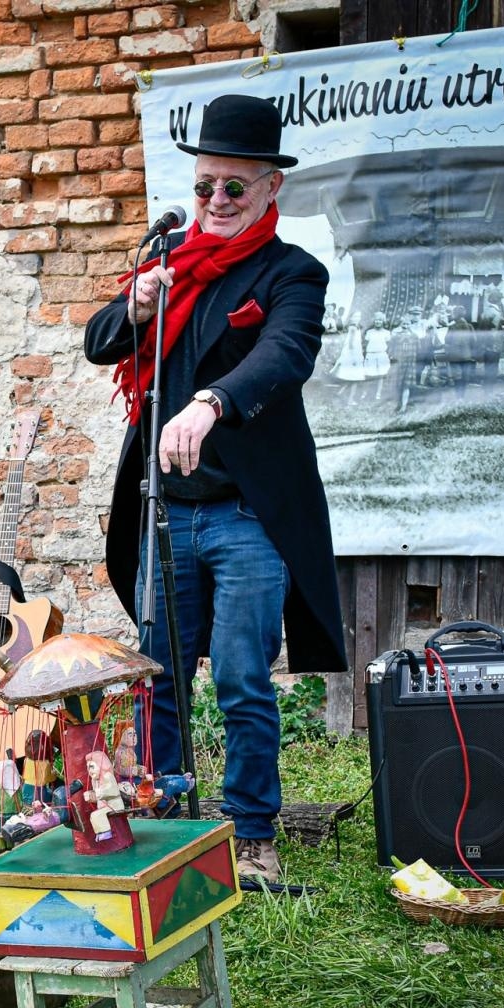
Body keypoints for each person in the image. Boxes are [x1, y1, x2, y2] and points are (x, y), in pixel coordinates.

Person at [83, 94, 347, 882]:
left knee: (239, 678)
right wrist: (132, 304)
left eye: (235, 186)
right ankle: (167, 826)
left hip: (247, 517)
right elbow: (101, 343)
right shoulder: (168, 267)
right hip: (167, 514)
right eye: (205, 186)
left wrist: (210, 401)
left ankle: (254, 834)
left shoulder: (293, 273)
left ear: (273, 190)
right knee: (159, 677)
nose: (217, 201)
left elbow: (284, 356)